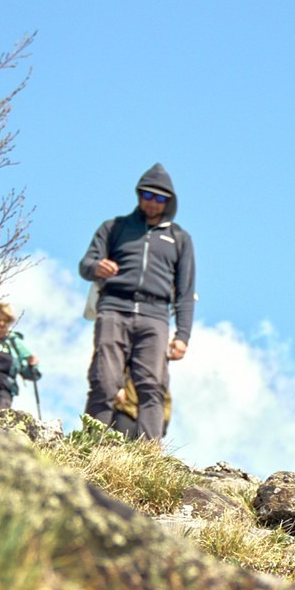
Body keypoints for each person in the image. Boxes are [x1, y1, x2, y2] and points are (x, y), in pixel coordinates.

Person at [78, 162, 196, 440]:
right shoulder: (114, 228)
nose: (152, 202)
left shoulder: (180, 239)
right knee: (104, 380)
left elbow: (186, 292)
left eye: (159, 198)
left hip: (155, 316)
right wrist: (97, 267)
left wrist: (183, 336)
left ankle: (148, 455)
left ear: (169, 201)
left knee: (151, 386)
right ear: (138, 195)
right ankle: (90, 445)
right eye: (147, 195)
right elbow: (85, 264)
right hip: (114, 308)